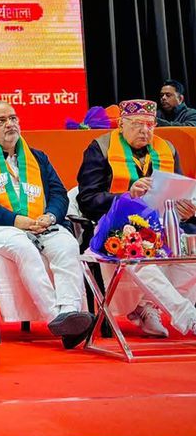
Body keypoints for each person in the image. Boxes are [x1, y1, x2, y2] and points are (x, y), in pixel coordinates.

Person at [0, 102, 92, 347]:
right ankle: (56, 318)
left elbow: (59, 194)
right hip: (0, 227)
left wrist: (50, 216)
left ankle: (70, 311)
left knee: (67, 245)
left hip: (41, 223)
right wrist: (15, 220)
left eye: (13, 118)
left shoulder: (37, 157)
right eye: (1, 121)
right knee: (24, 249)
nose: (9, 124)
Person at [76, 99, 196, 337]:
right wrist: (127, 195)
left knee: (190, 254)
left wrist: (186, 209)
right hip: (116, 226)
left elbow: (180, 190)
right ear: (121, 124)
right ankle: (189, 317)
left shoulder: (167, 149)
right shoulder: (101, 147)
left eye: (150, 125)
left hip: (163, 224)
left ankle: (148, 307)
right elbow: (87, 199)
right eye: (138, 124)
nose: (145, 130)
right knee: (139, 253)